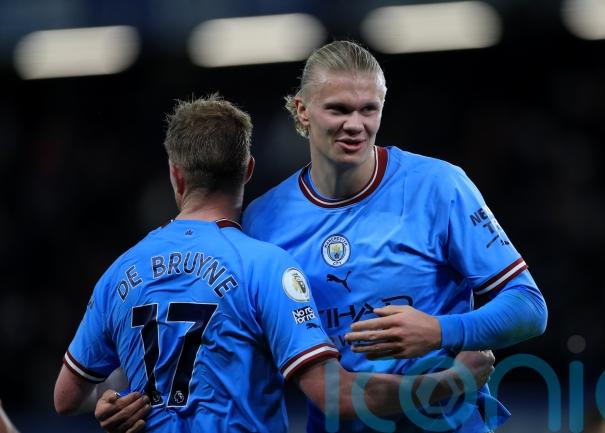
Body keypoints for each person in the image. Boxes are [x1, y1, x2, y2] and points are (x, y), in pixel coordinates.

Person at [54, 94, 496, 433]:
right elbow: (336, 396)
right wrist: (451, 382)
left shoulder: (119, 273)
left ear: (176, 174)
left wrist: (110, 402)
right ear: (247, 169)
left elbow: (67, 397)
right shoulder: (266, 266)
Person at [240, 40, 548, 432]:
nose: (356, 125)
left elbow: (529, 306)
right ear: (302, 110)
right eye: (338, 109)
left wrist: (440, 331)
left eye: (368, 109)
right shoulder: (264, 221)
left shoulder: (439, 185)